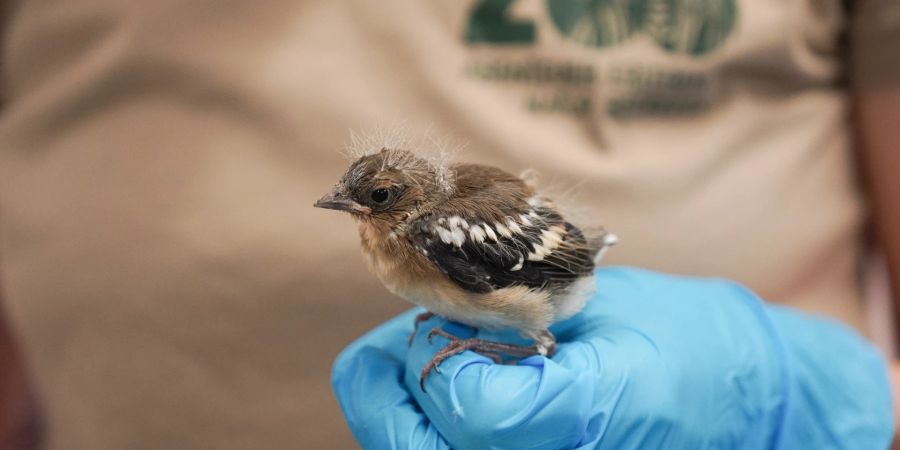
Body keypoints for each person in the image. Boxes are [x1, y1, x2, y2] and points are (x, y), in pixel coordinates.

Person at [0, 1, 897, 449]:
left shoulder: (440, 233)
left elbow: (553, 268)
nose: (358, 215)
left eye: (375, 201)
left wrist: (830, 404)